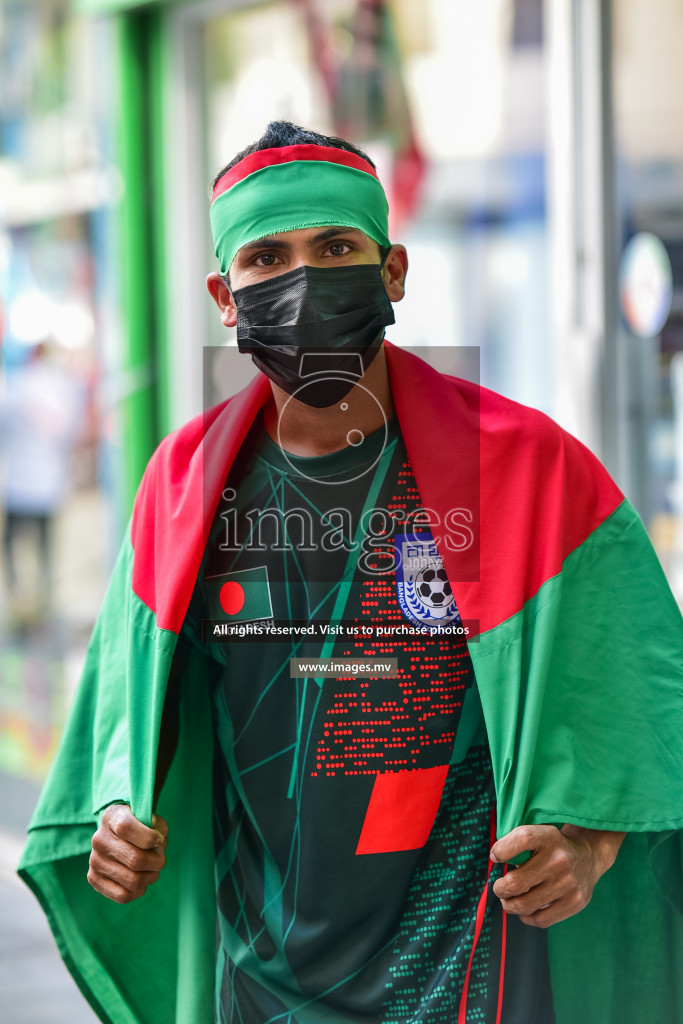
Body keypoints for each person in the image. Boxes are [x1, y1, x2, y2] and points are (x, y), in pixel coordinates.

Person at [19, 122, 683, 1024]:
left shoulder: (527, 468)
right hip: (262, 986)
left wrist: (594, 840)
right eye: (266, 258)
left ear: (393, 272)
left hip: (466, 975)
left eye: (335, 248)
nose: (302, 282)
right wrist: (117, 820)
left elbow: (642, 695)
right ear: (225, 296)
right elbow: (125, 728)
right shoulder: (179, 490)